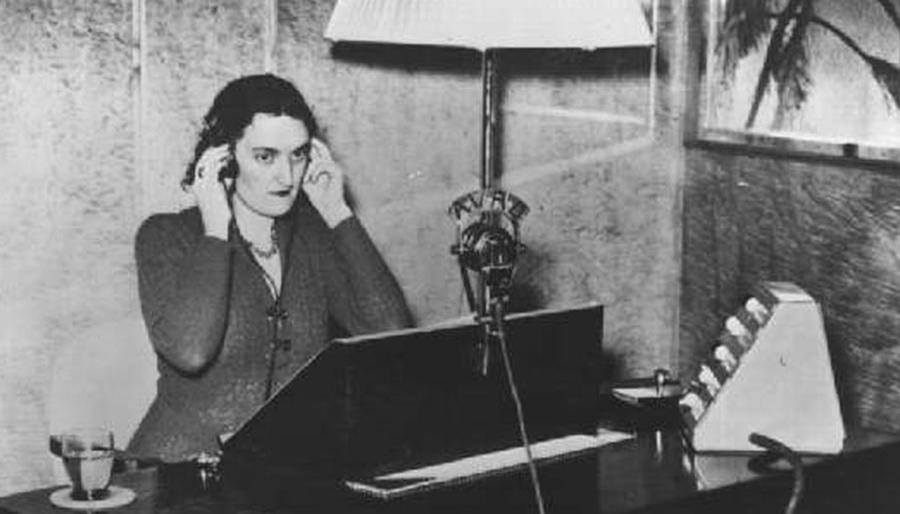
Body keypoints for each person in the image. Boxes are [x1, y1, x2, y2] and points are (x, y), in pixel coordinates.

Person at [127, 74, 412, 462]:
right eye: (265, 157)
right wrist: (216, 228)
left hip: (276, 471)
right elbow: (190, 352)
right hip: (176, 471)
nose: (287, 176)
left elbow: (390, 335)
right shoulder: (165, 236)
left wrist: (337, 212)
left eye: (298, 155)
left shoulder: (312, 236)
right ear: (225, 159)